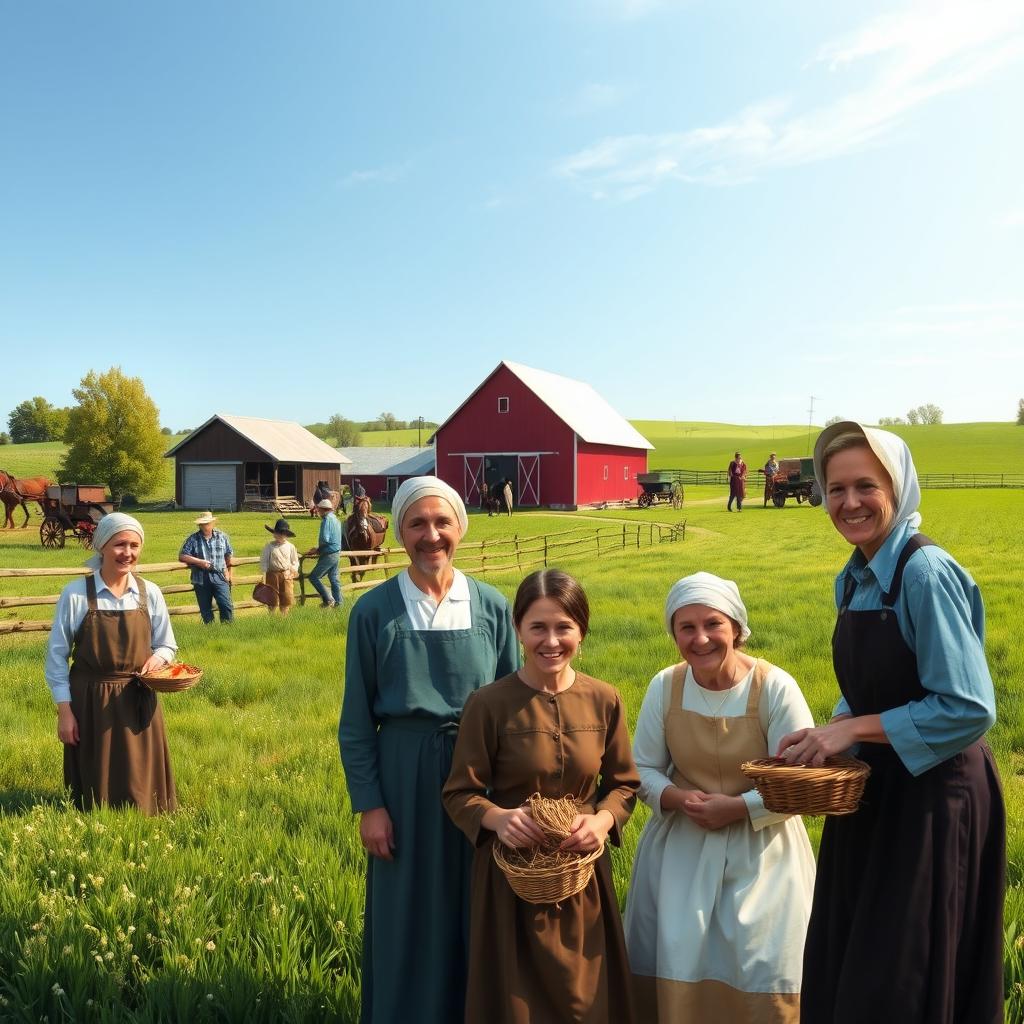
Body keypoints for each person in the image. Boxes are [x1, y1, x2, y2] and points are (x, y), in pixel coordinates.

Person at [776, 422, 1005, 1024]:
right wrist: (832, 728)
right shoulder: (853, 578)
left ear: (897, 487)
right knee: (855, 954)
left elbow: (969, 706)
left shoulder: (924, 572)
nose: (849, 503)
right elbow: (871, 689)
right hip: (875, 792)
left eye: (865, 486)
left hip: (935, 796)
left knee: (903, 970)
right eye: (835, 489)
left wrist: (852, 732)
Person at [338, 476, 519, 1024]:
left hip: (478, 778)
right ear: (399, 532)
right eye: (417, 523)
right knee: (407, 907)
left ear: (459, 528)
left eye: (442, 522)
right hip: (405, 777)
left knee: (477, 901)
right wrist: (370, 805)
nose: (431, 535)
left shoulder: (491, 606)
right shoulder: (374, 611)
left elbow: (515, 707)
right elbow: (354, 722)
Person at [443, 569, 640, 1024]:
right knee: (516, 1006)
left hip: (582, 878)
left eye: (563, 627)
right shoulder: (488, 704)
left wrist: (603, 821)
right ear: (517, 629)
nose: (551, 641)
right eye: (538, 627)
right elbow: (460, 792)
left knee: (584, 1002)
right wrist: (497, 819)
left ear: (582, 631)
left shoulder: (604, 699)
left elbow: (624, 785)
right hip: (509, 884)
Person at [625, 572, 816, 1023]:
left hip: (763, 852)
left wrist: (740, 807)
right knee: (677, 951)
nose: (701, 638)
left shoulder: (774, 687)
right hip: (680, 852)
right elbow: (642, 769)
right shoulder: (664, 686)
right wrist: (673, 796)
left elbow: (800, 779)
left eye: (713, 624)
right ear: (673, 633)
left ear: (736, 628)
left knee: (762, 960)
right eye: (686, 627)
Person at [45, 513, 178, 814]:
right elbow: (56, 656)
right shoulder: (76, 594)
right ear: (101, 546)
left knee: (140, 768)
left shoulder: (150, 593)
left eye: (134, 545)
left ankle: (146, 813)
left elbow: (167, 644)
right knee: (96, 774)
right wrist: (65, 712)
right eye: (119, 544)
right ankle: (96, 819)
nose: (127, 553)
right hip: (90, 698)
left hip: (138, 694)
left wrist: (157, 660)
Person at [178, 511, 234, 623]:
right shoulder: (193, 539)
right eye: (203, 524)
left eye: (207, 523)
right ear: (199, 525)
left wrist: (228, 572)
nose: (205, 526)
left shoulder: (222, 537)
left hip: (219, 575)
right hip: (201, 577)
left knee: (225, 604)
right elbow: (182, 556)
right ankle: (211, 631)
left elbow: (228, 555)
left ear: (213, 523)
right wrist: (199, 562)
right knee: (206, 609)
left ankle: (228, 631)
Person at [259, 517, 300, 615]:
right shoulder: (269, 546)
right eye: (278, 533)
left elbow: (295, 561)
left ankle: (284, 618)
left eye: (282, 533)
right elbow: (264, 561)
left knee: (286, 598)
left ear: (286, 535)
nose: (280, 535)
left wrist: (292, 571)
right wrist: (264, 574)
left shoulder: (290, 547)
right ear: (274, 533)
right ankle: (272, 618)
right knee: (272, 599)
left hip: (286, 574)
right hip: (272, 574)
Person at [307, 498, 342, 608]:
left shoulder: (326, 520)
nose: (318, 511)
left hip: (329, 554)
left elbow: (325, 539)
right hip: (337, 553)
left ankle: (328, 599)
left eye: (319, 509)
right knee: (334, 578)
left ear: (323, 510)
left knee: (314, 577)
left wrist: (316, 550)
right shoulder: (336, 520)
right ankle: (339, 604)